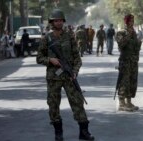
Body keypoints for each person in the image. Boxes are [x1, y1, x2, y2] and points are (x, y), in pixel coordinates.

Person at [36, 9, 94, 141]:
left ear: (63, 21)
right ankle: (58, 133)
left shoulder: (70, 36)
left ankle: (84, 132)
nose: (58, 22)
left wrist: (74, 72)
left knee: (78, 103)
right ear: (52, 22)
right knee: (53, 104)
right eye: (56, 20)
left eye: (60, 20)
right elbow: (39, 58)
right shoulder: (47, 38)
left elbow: (77, 58)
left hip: (69, 77)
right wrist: (50, 60)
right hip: (53, 78)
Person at [115, 14, 142, 112]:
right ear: (126, 22)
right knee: (124, 82)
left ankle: (129, 102)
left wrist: (138, 43)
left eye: (133, 21)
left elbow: (136, 47)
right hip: (125, 61)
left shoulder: (134, 33)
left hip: (133, 61)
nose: (132, 22)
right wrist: (128, 35)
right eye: (130, 21)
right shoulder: (121, 32)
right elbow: (121, 45)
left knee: (132, 81)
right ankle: (122, 103)